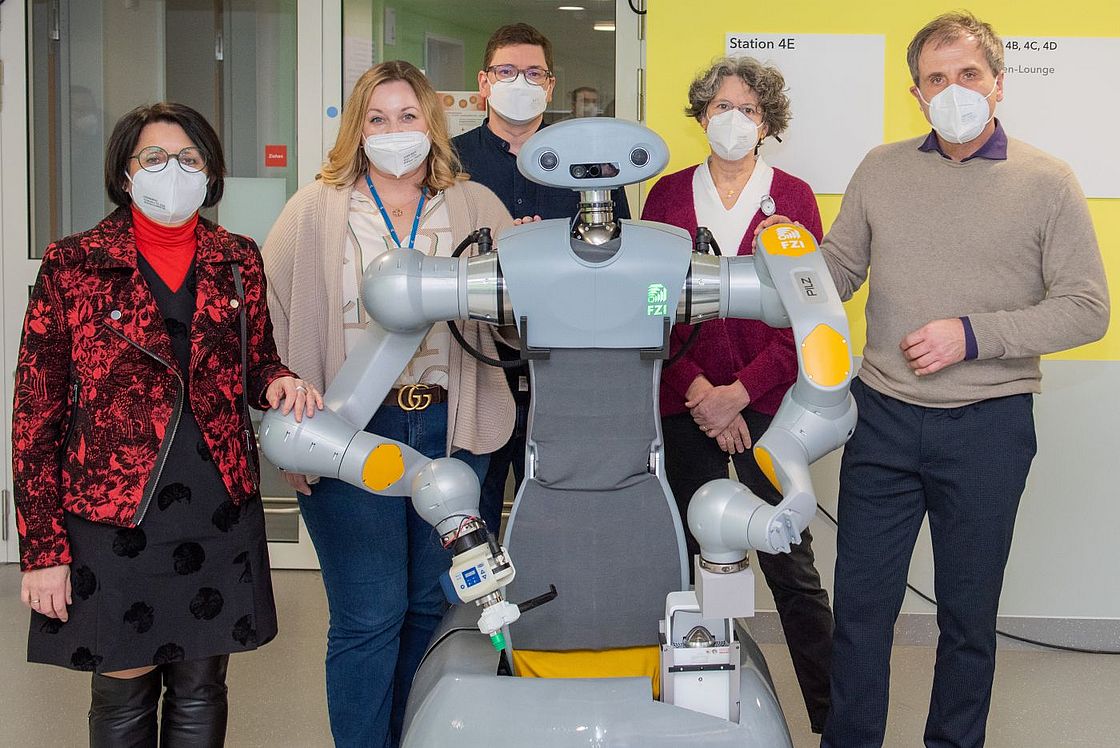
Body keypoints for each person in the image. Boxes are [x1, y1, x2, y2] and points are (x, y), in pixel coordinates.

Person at [760, 12, 1110, 747]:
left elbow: (1087, 309)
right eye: (937, 79)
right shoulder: (882, 168)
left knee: (967, 617)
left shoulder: (1048, 182)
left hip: (989, 425)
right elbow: (840, 272)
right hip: (882, 417)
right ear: (917, 94)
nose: (955, 91)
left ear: (999, 83)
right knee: (860, 612)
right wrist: (772, 265)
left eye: (969, 74)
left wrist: (973, 334)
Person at [13, 101, 320, 746]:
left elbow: (253, 359)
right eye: (153, 159)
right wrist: (42, 550)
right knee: (122, 684)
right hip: (114, 512)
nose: (171, 172)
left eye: (188, 158)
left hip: (215, 504)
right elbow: (36, 414)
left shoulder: (237, 258)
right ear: (125, 175)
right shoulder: (74, 264)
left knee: (201, 686)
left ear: (211, 174)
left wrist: (278, 380)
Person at [262, 60, 515, 748]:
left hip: (448, 426)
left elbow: (515, 322)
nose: (394, 131)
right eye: (377, 118)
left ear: (431, 124)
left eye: (407, 116)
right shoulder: (314, 209)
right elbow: (269, 326)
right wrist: (291, 430)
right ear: (356, 129)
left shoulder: (474, 207)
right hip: (347, 429)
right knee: (369, 613)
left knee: (430, 611)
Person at [641, 56, 834, 734]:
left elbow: (807, 313)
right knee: (687, 558)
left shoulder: (797, 198)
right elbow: (651, 304)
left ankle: (831, 719)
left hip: (767, 406)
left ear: (768, 122)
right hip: (683, 403)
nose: (734, 120)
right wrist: (697, 389)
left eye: (749, 110)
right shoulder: (665, 198)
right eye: (722, 107)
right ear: (701, 117)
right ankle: (693, 715)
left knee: (789, 563)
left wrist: (741, 392)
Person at [452, 22, 630, 537]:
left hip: (564, 368)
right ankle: (474, 616)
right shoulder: (450, 163)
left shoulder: (589, 166)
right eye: (507, 71)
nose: (520, 82)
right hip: (476, 368)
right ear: (484, 83)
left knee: (559, 513)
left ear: (550, 86)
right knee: (470, 513)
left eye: (533, 73)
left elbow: (616, 259)